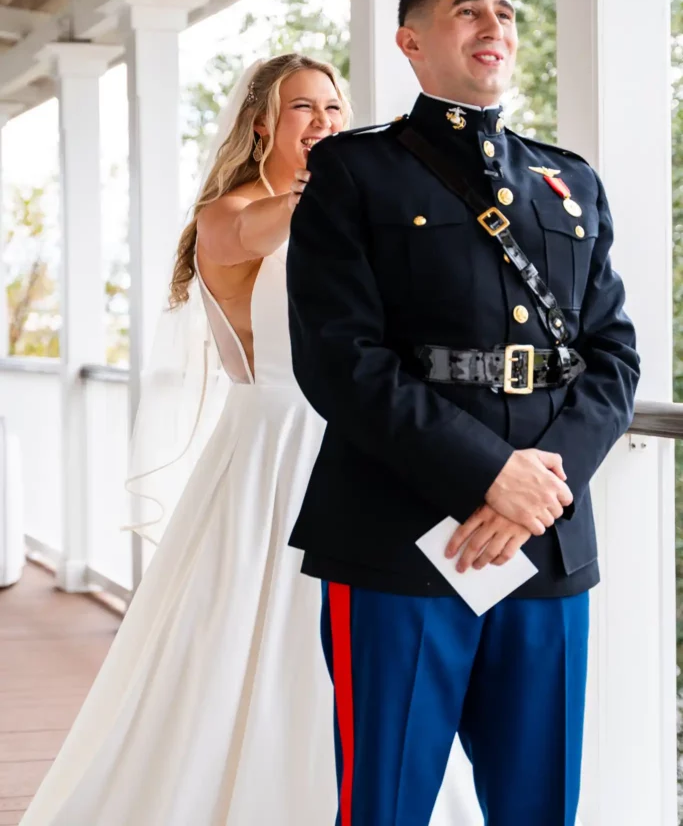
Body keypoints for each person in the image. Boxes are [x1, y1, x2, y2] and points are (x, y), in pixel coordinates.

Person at [19, 53, 481, 826]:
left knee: (371, 652)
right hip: (269, 457)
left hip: (361, 448)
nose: (326, 123)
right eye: (305, 109)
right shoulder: (230, 216)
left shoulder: (345, 209)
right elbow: (277, 225)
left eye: (335, 109)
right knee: (249, 644)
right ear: (262, 122)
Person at [287, 0, 640, 826]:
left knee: (538, 804)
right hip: (399, 532)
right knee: (388, 802)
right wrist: (487, 474)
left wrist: (535, 487)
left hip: (544, 541)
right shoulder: (353, 174)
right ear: (410, 42)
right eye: (466, 11)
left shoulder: (569, 183)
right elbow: (340, 357)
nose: (493, 26)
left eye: (505, 13)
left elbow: (613, 357)